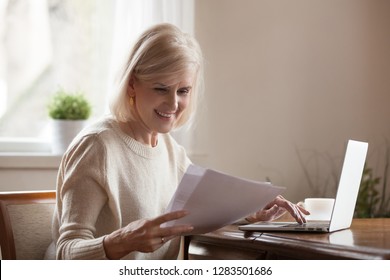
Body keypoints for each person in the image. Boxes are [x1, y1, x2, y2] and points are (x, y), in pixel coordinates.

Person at [45, 23, 309, 260]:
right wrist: (120, 242)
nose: (173, 103)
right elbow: (65, 252)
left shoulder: (172, 152)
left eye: (183, 91)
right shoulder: (97, 146)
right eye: (161, 88)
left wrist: (252, 211)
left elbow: (198, 215)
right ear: (132, 85)